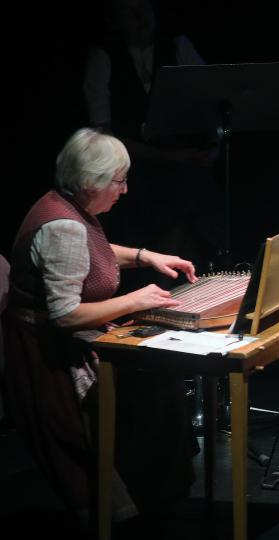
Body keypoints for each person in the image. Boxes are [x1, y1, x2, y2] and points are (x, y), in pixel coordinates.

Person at [2, 128, 200, 526]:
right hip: (50, 360)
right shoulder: (64, 227)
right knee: (154, 392)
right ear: (91, 181)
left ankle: (159, 495)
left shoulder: (65, 207)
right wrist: (135, 300)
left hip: (63, 342)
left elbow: (92, 253)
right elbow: (64, 315)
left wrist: (147, 257)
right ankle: (146, 505)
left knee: (160, 383)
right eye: (119, 180)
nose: (124, 190)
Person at [83, 0, 222, 276]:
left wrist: (211, 145)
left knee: (196, 199)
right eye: (129, 10)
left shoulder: (176, 45)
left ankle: (199, 281)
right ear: (114, 19)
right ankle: (167, 284)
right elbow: (104, 134)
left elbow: (213, 100)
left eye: (144, 8)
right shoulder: (104, 57)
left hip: (186, 161)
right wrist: (168, 157)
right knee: (164, 205)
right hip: (134, 165)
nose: (140, 18)